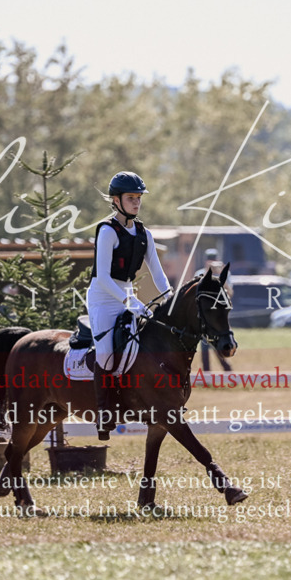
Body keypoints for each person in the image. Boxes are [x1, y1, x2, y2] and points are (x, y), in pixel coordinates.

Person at [86, 171, 173, 440]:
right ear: (116, 200)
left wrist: (170, 298)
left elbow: (158, 274)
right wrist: (129, 300)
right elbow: (102, 277)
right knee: (105, 354)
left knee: (142, 345)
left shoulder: (144, 233)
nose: (136, 203)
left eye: (138, 198)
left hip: (126, 293)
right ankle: (103, 413)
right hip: (103, 297)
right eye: (131, 198)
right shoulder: (107, 231)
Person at [196, 248, 233, 372]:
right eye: (210, 259)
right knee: (205, 345)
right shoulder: (200, 273)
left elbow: (230, 293)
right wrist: (207, 273)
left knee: (219, 342)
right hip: (205, 315)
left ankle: (226, 368)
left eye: (214, 259)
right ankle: (207, 371)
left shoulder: (225, 274)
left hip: (219, 315)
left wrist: (221, 275)